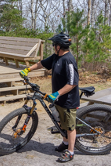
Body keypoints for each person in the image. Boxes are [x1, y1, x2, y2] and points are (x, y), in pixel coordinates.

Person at [20, 32, 79, 163]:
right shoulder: (56, 57)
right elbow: (42, 63)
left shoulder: (68, 60)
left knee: (69, 126)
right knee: (60, 122)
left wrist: (57, 94)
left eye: (54, 44)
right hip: (58, 98)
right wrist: (28, 69)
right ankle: (64, 143)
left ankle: (70, 151)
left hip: (68, 100)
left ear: (59, 46)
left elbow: (72, 83)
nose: (53, 46)